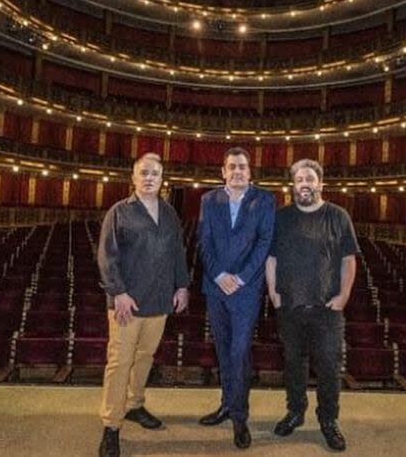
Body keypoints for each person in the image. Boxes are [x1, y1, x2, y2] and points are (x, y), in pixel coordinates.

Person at [97, 153, 190, 457]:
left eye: (155, 174)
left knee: (145, 356)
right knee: (119, 362)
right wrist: (118, 292)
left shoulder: (170, 213)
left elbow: (178, 251)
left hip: (160, 299)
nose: (150, 178)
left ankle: (135, 404)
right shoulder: (119, 212)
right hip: (127, 303)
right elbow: (106, 257)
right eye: (144, 173)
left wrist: (182, 285)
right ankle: (111, 425)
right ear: (134, 178)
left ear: (162, 180)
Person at [265, 158, 359, 452]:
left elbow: (348, 260)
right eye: (299, 180)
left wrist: (343, 297)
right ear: (292, 185)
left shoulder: (338, 216)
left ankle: (328, 420)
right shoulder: (281, 217)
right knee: (294, 365)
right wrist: (274, 294)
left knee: (329, 368)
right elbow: (271, 258)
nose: (304, 184)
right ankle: (295, 412)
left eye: (309, 179)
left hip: (327, 310)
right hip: (290, 307)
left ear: (320, 183)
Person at [197, 147, 275, 449]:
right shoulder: (208, 200)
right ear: (223, 171)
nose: (237, 171)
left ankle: (240, 417)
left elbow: (265, 241)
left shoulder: (264, 199)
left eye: (242, 166)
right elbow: (203, 242)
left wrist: (240, 277)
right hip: (215, 288)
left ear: (250, 171)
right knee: (223, 348)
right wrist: (219, 275)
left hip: (246, 289)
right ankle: (227, 404)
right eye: (232, 166)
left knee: (239, 350)